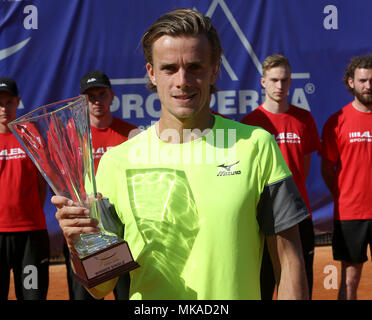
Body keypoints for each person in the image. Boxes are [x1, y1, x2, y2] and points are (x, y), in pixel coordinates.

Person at [52, 8, 309, 300]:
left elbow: (290, 262)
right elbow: (101, 284)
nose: (183, 80)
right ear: (151, 72)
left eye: (196, 67)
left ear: (214, 70)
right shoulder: (115, 163)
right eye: (169, 68)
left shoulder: (257, 146)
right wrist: (78, 243)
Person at [241, 54, 321, 299]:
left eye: (284, 80)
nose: (279, 86)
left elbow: (303, 170)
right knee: (262, 284)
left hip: (298, 213)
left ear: (291, 81)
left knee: (300, 282)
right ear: (263, 82)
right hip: (262, 216)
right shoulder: (250, 123)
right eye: (274, 80)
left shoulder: (304, 119)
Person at [62, 70, 138, 300]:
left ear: (112, 96)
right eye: (90, 96)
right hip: (87, 229)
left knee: (125, 292)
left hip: (121, 229)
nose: (97, 101)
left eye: (101, 94)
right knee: (87, 295)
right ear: (82, 99)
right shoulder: (70, 136)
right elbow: (63, 183)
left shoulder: (131, 134)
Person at [0, 77, 49, 300]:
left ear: (18, 102)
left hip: (30, 238)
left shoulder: (31, 137)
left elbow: (42, 183)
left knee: (32, 295)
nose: (4, 108)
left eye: (9, 102)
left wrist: (29, 213)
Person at [320, 55, 372, 300]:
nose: (368, 86)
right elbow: (327, 169)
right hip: (350, 213)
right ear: (351, 82)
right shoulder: (336, 122)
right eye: (363, 80)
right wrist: (345, 195)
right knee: (349, 280)